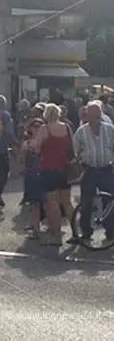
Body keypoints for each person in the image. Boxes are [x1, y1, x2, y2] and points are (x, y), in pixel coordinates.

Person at [72, 101, 114, 242]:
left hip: (106, 169)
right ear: (87, 115)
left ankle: (111, 231)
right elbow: (76, 151)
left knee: (108, 201)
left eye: (99, 114)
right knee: (86, 202)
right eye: (93, 114)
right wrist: (81, 164)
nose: (97, 117)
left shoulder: (109, 129)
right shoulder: (81, 132)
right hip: (89, 169)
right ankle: (86, 231)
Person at [35, 103, 75, 246]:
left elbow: (37, 148)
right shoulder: (66, 127)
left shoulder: (44, 129)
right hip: (64, 168)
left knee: (53, 204)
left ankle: (57, 237)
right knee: (67, 203)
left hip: (49, 169)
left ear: (46, 114)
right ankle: (76, 233)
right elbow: (72, 147)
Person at [0, 95, 16, 207]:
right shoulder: (5, 115)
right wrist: (14, 142)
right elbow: (9, 132)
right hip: (1, 148)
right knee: (4, 172)